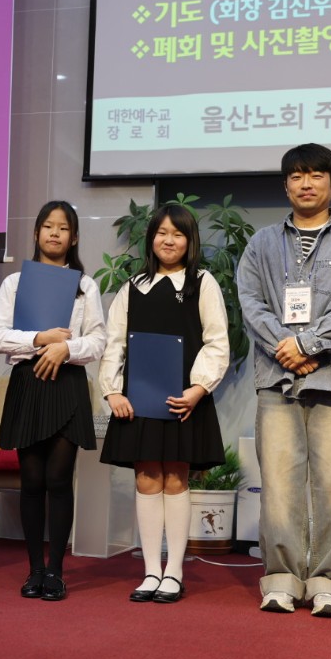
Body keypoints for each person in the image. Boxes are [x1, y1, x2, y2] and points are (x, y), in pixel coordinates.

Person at [235, 143, 331, 618]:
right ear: (286, 186)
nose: (306, 183)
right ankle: (280, 579)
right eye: (297, 176)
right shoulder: (261, 243)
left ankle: (327, 583)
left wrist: (307, 345)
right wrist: (287, 348)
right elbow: (251, 302)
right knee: (279, 485)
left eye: (316, 175)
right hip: (277, 379)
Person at [98, 204, 229, 604]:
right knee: (146, 479)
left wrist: (198, 388)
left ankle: (175, 572)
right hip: (138, 402)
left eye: (177, 234)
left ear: (190, 241)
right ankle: (151, 571)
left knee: (175, 479)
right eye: (161, 233)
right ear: (150, 238)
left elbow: (216, 341)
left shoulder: (202, 282)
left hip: (184, 400)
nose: (168, 241)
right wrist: (112, 391)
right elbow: (114, 343)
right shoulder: (132, 286)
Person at [0, 201, 107, 601]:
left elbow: (98, 340)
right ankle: (34, 570)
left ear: (74, 238)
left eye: (63, 228)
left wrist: (66, 348)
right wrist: (39, 339)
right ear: (37, 232)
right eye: (48, 226)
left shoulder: (85, 286)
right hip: (28, 381)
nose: (55, 233)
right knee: (32, 481)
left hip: (67, 382)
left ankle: (55, 571)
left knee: (58, 479)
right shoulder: (15, 282)